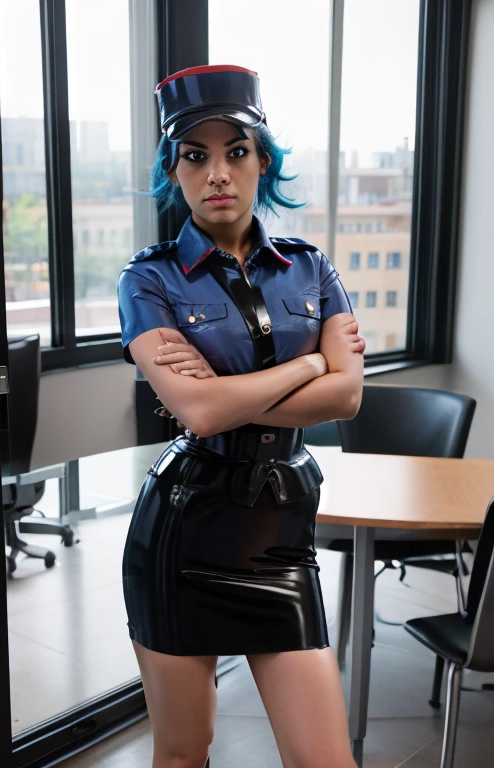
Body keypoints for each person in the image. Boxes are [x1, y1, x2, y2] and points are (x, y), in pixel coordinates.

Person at [118, 64, 365, 768]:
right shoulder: (149, 279)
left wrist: (242, 391)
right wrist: (310, 362)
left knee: (326, 760)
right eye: (196, 155)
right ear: (176, 171)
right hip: (184, 534)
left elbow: (347, 398)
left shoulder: (311, 268)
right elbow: (197, 411)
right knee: (183, 754)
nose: (218, 172)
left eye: (235, 151)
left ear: (263, 161)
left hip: (281, 535)